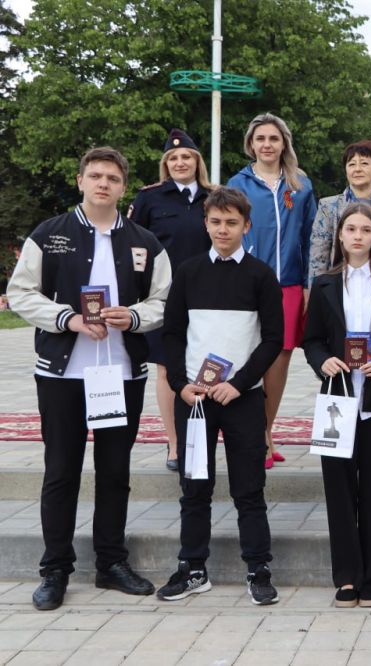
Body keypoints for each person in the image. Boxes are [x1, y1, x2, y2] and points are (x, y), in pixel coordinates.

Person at [7, 147, 171, 611]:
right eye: (95, 176)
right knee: (61, 471)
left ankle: (111, 563)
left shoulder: (144, 242)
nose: (103, 184)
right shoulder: (50, 234)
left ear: (123, 187)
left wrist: (134, 317)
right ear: (80, 180)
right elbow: (20, 293)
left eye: (112, 178)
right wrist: (68, 319)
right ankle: (55, 570)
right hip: (63, 374)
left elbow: (164, 300)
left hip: (121, 373)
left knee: (115, 472)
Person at [157, 187, 284, 605]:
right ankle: (192, 568)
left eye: (231, 222)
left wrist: (240, 383)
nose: (223, 229)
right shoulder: (188, 272)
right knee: (194, 487)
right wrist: (181, 384)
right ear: (205, 224)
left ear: (246, 226)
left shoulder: (261, 275)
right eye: (215, 222)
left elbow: (273, 339)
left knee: (249, 489)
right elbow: (172, 334)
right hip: (195, 401)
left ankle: (258, 569)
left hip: (242, 398)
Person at [302, 202, 371, 608]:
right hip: (338, 399)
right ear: (340, 235)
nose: (358, 236)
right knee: (340, 490)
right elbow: (311, 340)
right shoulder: (325, 283)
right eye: (351, 229)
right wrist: (322, 362)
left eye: (366, 230)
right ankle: (347, 575)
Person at [228, 113, 318, 469]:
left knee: (279, 360)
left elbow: (312, 238)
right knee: (250, 359)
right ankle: (252, 435)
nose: (267, 144)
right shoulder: (238, 183)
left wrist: (310, 283)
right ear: (251, 144)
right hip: (249, 283)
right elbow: (228, 232)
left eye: (273, 138)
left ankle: (266, 432)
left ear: (284, 144)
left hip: (290, 285)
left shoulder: (301, 185)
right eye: (261, 138)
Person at [128, 128, 213, 471]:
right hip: (163, 296)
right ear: (166, 164)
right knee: (166, 368)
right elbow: (133, 247)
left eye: (186, 156)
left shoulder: (214, 196)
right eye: (173, 158)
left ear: (197, 161)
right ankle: (175, 444)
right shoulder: (149, 199)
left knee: (206, 366)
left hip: (207, 296)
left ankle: (202, 437)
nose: (180, 162)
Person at [308, 140, 371, 283]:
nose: (357, 169)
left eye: (364, 163)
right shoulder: (328, 207)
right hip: (340, 284)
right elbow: (318, 258)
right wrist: (316, 291)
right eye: (352, 164)